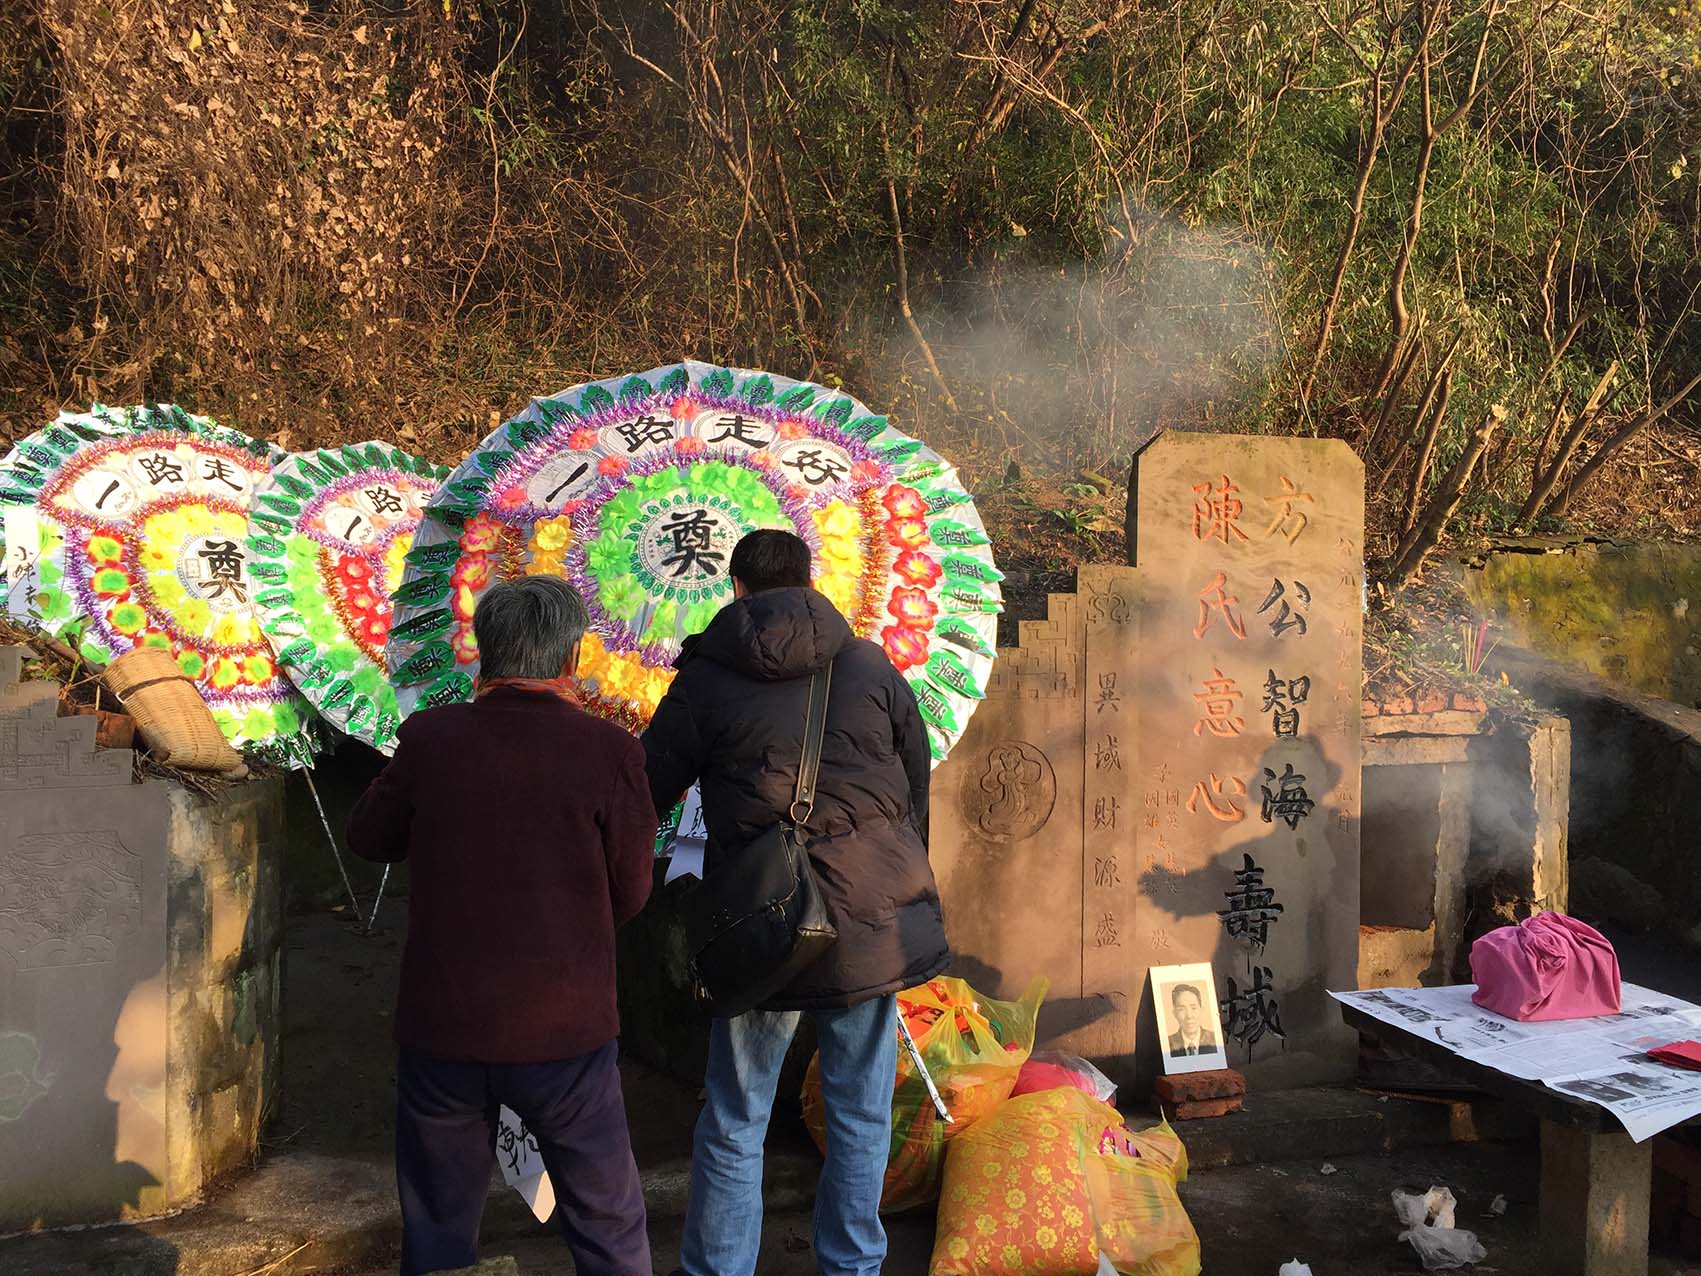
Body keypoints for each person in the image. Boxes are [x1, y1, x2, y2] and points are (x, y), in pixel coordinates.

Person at [641, 528, 947, 1276]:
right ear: (811, 583)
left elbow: (648, 784)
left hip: (762, 920)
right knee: (861, 1109)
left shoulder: (708, 676)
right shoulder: (870, 664)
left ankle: (720, 1269)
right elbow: (914, 778)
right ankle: (853, 1265)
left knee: (736, 1114)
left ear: (737, 590)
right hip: (871, 916)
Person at [348, 576, 658, 1276]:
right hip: (566, 1028)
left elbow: (370, 836)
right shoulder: (610, 751)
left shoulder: (432, 737)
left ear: (481, 654)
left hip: (444, 1024)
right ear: (571, 659)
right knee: (605, 1215)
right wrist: (571, 928)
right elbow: (632, 889)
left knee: (438, 1220)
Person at [1167, 984, 1217, 1057]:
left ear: (1201, 1010)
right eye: (1181, 1009)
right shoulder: (1167, 1044)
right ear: (1175, 1013)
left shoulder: (1215, 1040)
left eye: (1193, 1008)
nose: (1189, 1016)